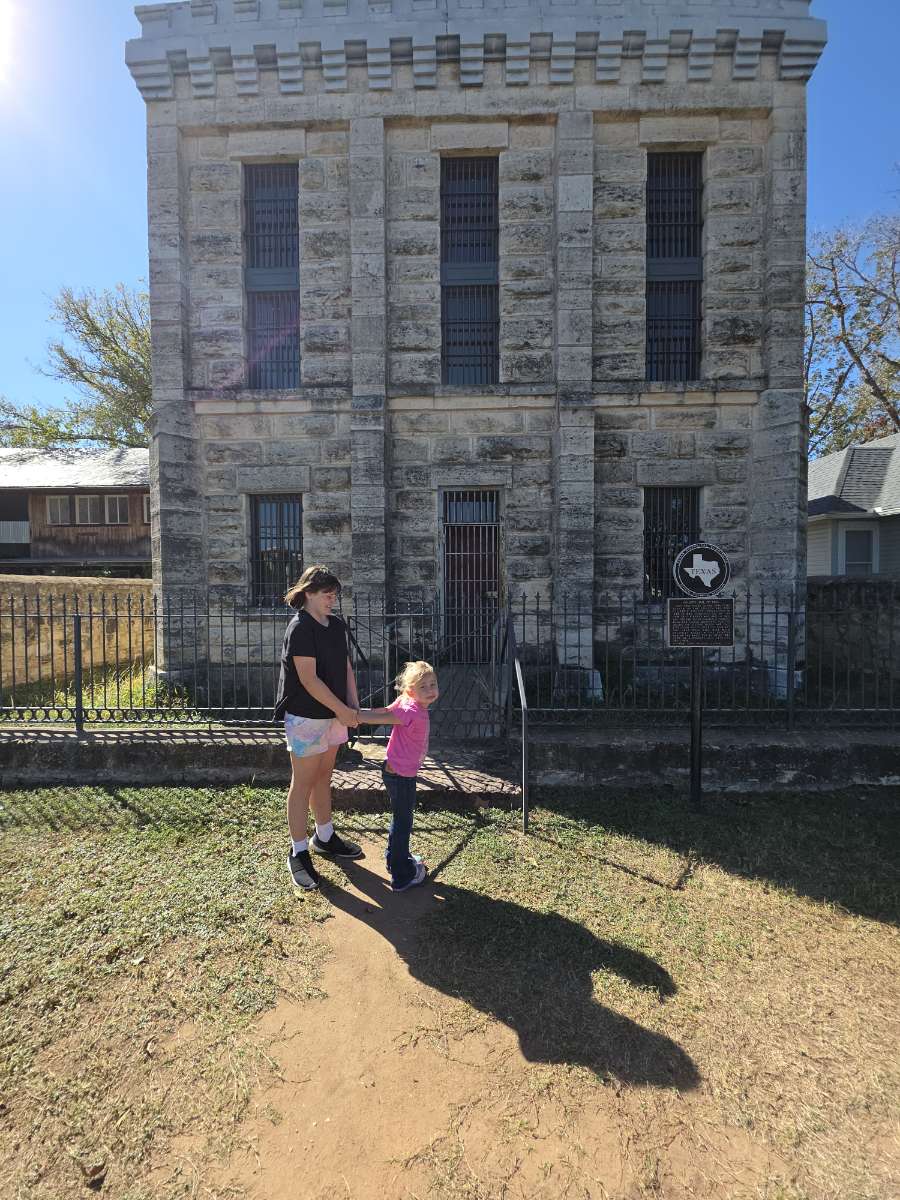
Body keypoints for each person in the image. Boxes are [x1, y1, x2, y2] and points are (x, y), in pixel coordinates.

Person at [274, 565, 364, 891]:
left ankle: (324, 836)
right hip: (306, 718)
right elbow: (309, 680)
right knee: (303, 783)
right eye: (327, 593)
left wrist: (352, 706)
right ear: (308, 593)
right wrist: (342, 710)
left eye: (335, 594)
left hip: (334, 716)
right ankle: (298, 851)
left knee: (324, 777)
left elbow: (345, 667)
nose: (332, 599)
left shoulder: (336, 625)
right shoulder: (300, 628)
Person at [356, 661, 439, 893]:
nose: (430, 690)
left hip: (397, 772)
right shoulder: (410, 710)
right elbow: (382, 717)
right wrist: (356, 716)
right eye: (423, 687)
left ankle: (395, 859)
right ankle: (402, 876)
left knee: (400, 818)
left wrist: (358, 713)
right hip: (401, 776)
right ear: (411, 690)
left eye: (433, 684)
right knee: (403, 822)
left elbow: (385, 711)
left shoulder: (408, 702)